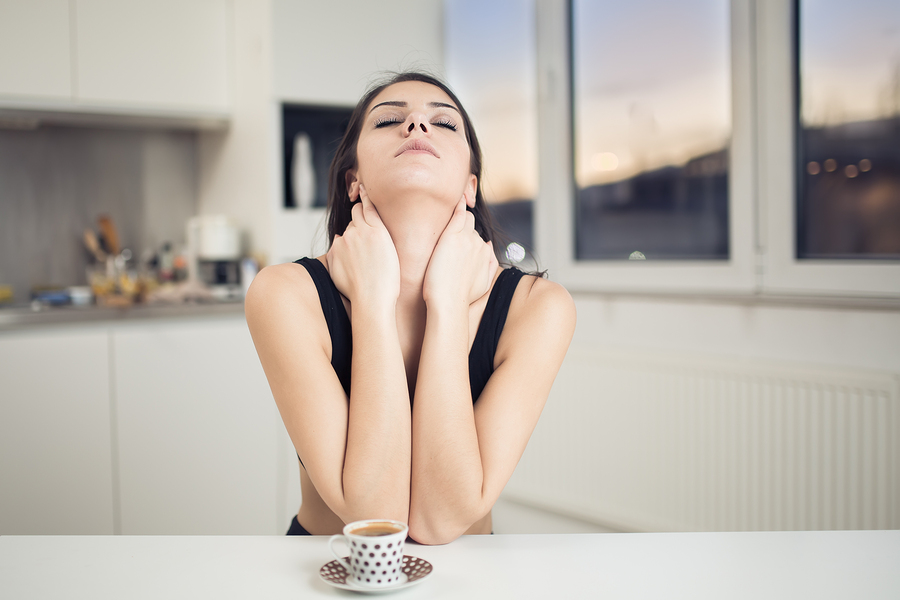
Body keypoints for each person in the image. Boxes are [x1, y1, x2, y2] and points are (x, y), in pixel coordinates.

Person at [245, 71, 575, 545]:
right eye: (389, 120)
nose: (417, 126)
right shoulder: (284, 294)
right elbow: (377, 518)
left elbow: (440, 522)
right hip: (326, 573)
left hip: (471, 575)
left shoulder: (538, 309)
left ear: (471, 187)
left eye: (443, 123)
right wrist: (374, 303)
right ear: (353, 180)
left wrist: (444, 305)